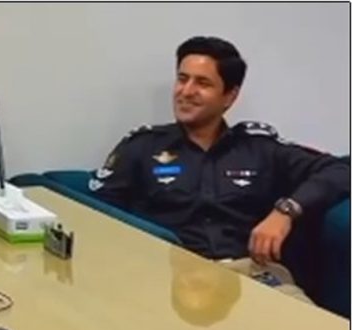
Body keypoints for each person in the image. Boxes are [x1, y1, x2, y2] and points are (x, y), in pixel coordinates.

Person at [90, 36, 349, 299]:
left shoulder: (259, 148)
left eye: (202, 83)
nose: (186, 91)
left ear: (229, 96)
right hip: (169, 278)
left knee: (305, 322)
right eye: (182, 79)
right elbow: (95, 217)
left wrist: (285, 212)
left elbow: (341, 170)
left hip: (250, 277)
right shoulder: (142, 147)